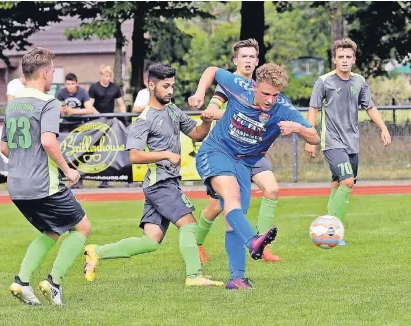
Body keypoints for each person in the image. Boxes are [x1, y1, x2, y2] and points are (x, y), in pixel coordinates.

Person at [83, 63, 223, 287]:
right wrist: (165, 154)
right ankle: (194, 276)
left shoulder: (173, 110)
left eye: (173, 86)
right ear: (151, 85)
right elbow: (135, 156)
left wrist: (206, 121)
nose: (170, 91)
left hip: (162, 183)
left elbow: (197, 134)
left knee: (151, 240)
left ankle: (96, 252)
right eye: (165, 86)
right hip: (161, 184)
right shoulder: (144, 119)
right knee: (188, 224)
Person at [189, 63, 320, 289]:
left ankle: (237, 278)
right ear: (255, 85)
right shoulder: (239, 85)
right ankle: (254, 241)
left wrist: (297, 128)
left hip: (245, 163)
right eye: (265, 93)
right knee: (232, 196)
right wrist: (200, 93)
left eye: (275, 95)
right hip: (217, 151)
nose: (270, 100)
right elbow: (212, 70)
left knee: (235, 220)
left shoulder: (284, 108)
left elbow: (315, 137)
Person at [2, 47, 91, 306]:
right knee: (82, 227)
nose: (54, 76)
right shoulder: (49, 102)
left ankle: (22, 281)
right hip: (44, 184)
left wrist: (24, 162)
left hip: (17, 186)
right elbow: (48, 142)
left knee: (51, 230)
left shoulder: (13, 104)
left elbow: (5, 148)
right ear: (44, 72)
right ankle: (53, 283)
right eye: (52, 71)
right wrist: (68, 171)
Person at [195, 39, 281, 263]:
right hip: (227, 151)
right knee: (216, 207)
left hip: (252, 152)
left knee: (271, 189)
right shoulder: (227, 84)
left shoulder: (259, 88)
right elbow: (213, 108)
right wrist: (228, 113)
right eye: (244, 57)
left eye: (252, 57)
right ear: (236, 60)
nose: (248, 61)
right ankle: (197, 243)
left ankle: (262, 243)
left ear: (257, 61)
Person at [305, 38, 391, 246]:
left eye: (348, 57)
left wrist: (383, 127)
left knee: (337, 183)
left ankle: (326, 229)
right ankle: (335, 232)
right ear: (334, 59)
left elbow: (369, 107)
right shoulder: (324, 81)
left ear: (354, 59)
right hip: (332, 141)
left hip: (352, 142)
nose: (344, 60)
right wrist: (310, 139)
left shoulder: (359, 82)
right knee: (347, 181)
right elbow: (313, 109)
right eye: (340, 57)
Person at [57, 73, 99, 189]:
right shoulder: (61, 93)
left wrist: (73, 111)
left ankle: (79, 178)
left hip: (80, 125)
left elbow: (89, 109)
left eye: (72, 84)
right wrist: (61, 110)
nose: (70, 86)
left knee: (80, 153)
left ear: (77, 84)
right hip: (65, 125)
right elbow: (56, 107)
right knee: (65, 152)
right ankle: (64, 176)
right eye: (68, 84)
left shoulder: (83, 92)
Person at [88, 64, 126, 188]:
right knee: (98, 150)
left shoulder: (115, 87)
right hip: (97, 122)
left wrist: (124, 117)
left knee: (110, 149)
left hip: (111, 123)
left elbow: (121, 104)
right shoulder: (94, 87)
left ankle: (108, 178)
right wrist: (98, 115)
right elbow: (90, 105)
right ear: (101, 75)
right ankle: (100, 178)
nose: (108, 78)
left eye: (110, 76)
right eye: (106, 76)